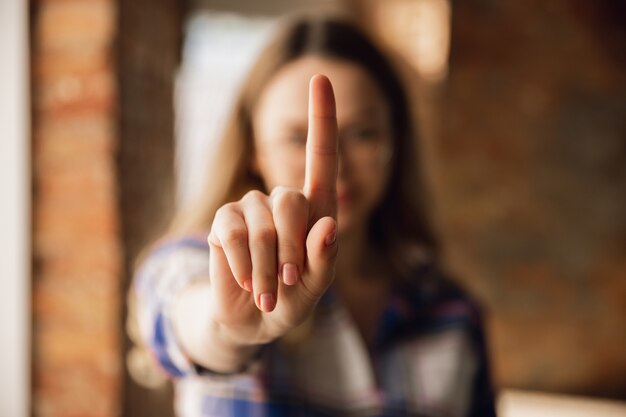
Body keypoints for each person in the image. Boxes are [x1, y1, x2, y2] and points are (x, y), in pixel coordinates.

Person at [129, 13, 497, 417]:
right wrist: (226, 328)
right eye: (295, 137)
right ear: (254, 149)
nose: (334, 164)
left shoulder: (451, 310)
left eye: (363, 134)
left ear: (395, 144)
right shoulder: (207, 260)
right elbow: (181, 307)